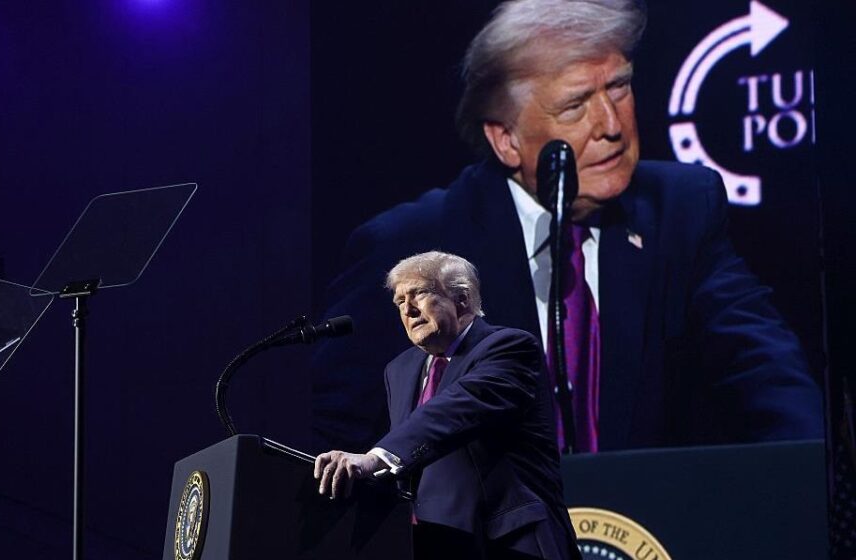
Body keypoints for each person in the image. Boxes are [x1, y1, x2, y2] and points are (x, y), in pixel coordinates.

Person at [312, 0, 823, 454]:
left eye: (619, 87)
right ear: (506, 139)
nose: (611, 125)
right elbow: (340, 440)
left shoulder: (680, 210)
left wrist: (810, 479)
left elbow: (764, 370)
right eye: (575, 105)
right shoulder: (411, 247)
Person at [315, 252, 579, 560]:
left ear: (462, 298)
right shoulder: (399, 370)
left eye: (419, 294)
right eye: (400, 302)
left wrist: (376, 458)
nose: (408, 310)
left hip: (510, 541)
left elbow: (456, 409)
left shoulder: (509, 347)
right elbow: (411, 462)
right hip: (433, 544)